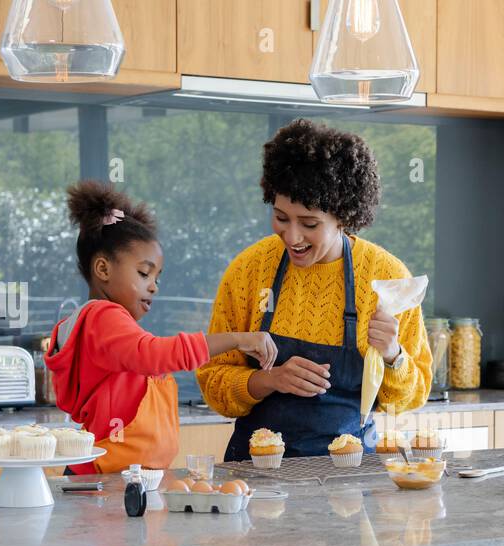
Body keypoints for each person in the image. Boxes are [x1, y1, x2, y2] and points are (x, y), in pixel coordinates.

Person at [197, 120, 432, 460]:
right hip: (256, 474)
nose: (292, 236)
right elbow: (213, 383)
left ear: (343, 217)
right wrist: (271, 380)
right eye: (280, 217)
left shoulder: (385, 277)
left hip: (349, 480)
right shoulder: (250, 270)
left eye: (309, 224)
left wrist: (394, 355)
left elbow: (411, 396)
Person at [45, 181, 276, 475]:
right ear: (103, 269)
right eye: (143, 273)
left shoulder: (99, 324)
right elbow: (155, 355)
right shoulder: (103, 317)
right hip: (109, 478)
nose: (153, 286)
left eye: (157, 276)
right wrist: (237, 339)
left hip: (123, 476)